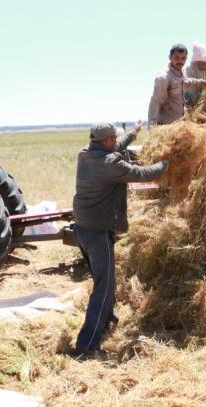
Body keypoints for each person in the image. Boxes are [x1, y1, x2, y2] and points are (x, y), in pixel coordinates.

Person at [69, 121, 168, 357]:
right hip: (98, 231)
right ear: (106, 141)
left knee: (103, 281)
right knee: (104, 288)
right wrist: (167, 164)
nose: (116, 141)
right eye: (114, 138)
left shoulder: (86, 154)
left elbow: (115, 148)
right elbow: (142, 174)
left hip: (81, 228)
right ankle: (87, 344)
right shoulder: (110, 164)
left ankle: (107, 319)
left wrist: (133, 134)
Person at [148, 43, 206, 126]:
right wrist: (152, 128)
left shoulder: (181, 72)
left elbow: (186, 82)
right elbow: (155, 103)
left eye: (183, 58)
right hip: (166, 127)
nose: (180, 61)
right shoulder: (163, 78)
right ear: (170, 57)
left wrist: (201, 82)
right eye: (176, 58)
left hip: (179, 125)